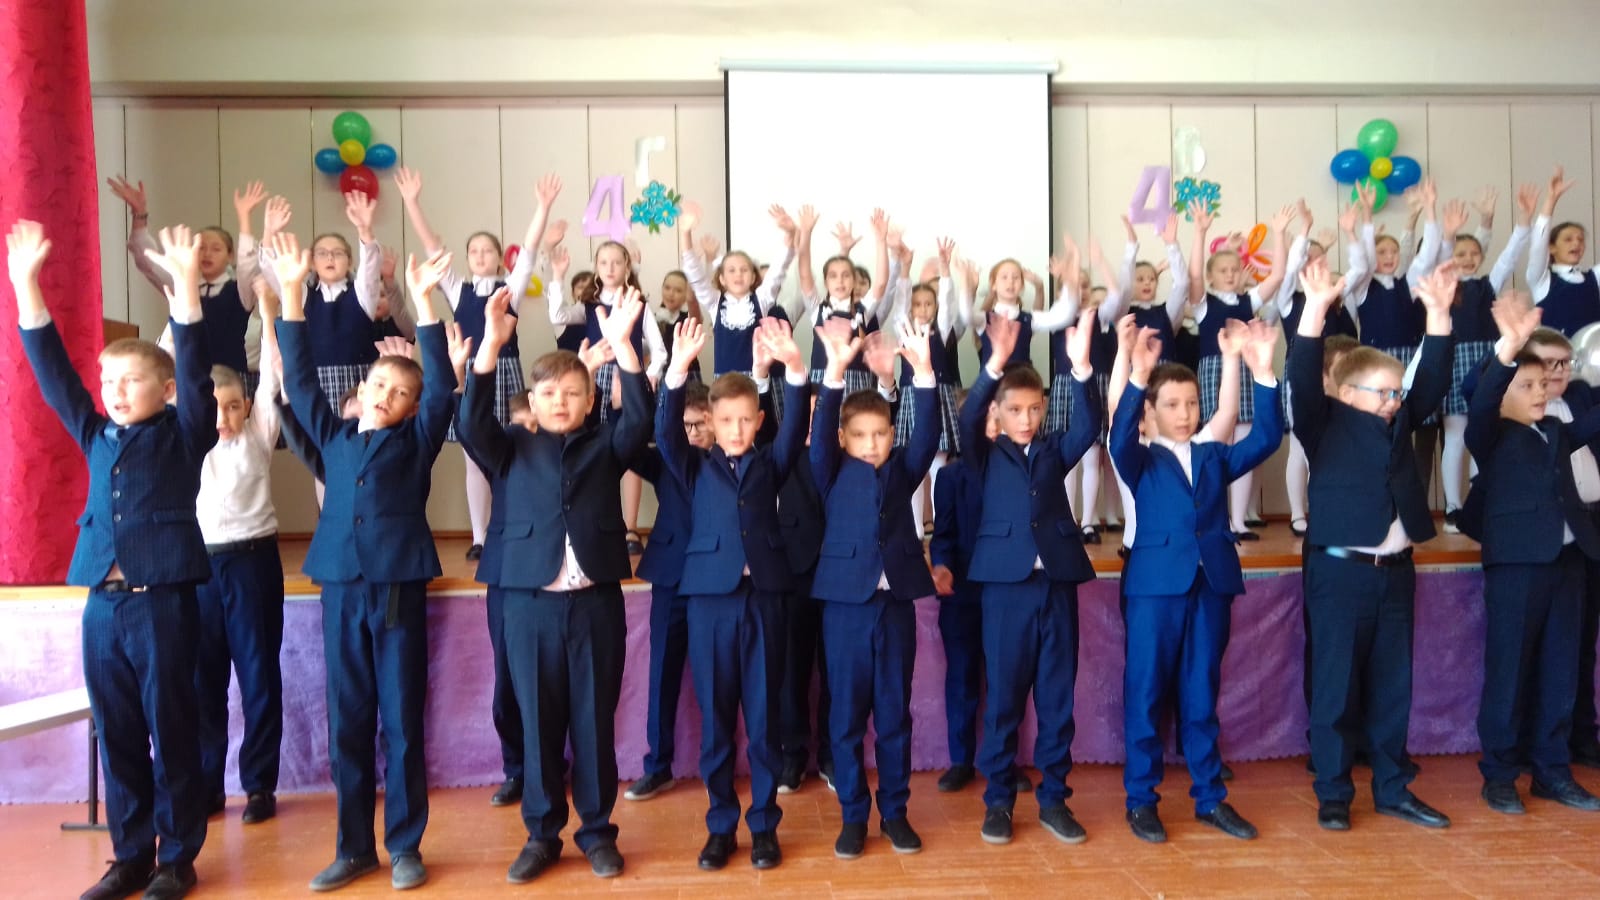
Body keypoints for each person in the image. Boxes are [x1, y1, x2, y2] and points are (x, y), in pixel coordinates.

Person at [11, 220, 214, 900]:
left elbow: (195, 370)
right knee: (117, 731)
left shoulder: (185, 434)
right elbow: (54, 378)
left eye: (131, 380)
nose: (115, 391)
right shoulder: (96, 433)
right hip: (103, 605)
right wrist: (27, 286)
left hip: (164, 603)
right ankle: (130, 855)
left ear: (165, 390)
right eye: (108, 380)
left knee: (171, 729)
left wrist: (187, 288)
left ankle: (177, 858)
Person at [272, 233, 457, 892]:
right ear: (362, 386)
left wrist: (425, 302)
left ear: (410, 407)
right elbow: (298, 383)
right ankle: (354, 848)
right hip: (341, 588)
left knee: (400, 721)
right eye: (378, 384)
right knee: (347, 721)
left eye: (398, 391)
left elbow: (443, 390)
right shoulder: (334, 436)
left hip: (397, 588)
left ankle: (404, 845)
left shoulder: (418, 440)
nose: (384, 395)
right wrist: (290, 295)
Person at [459, 286, 652, 881]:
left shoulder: (606, 444)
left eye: (572, 393)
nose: (561, 402)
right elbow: (469, 423)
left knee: (593, 721)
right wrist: (489, 348)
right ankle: (542, 835)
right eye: (548, 394)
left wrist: (624, 348)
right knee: (538, 723)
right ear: (533, 401)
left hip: (594, 604)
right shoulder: (509, 448)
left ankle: (597, 832)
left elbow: (640, 420)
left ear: (590, 399)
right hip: (529, 605)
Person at [1292, 256, 1455, 832]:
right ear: (1344, 392)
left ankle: (1392, 788)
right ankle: (1334, 793)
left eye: (1396, 392)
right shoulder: (1322, 424)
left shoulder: (1400, 420)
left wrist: (1439, 316)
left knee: (1392, 687)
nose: (1393, 401)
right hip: (1341, 573)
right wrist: (1315, 309)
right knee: (1336, 686)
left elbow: (1432, 380)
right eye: (1382, 392)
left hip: (1396, 570)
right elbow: (1302, 372)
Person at [1111, 314, 1283, 843]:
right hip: (1153, 590)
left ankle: (1210, 798)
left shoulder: (1213, 455)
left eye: (1190, 403)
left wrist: (1263, 372)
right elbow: (1117, 438)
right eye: (1171, 405)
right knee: (1145, 693)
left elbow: (1267, 438)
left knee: (1201, 694)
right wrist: (1138, 376)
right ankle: (1141, 801)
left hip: (1210, 588)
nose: (1184, 414)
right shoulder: (1139, 459)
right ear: (1151, 412)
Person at [656, 317, 812, 871]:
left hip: (764, 598)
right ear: (711, 423)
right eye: (725, 420)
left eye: (746, 419)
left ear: (759, 420)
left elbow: (796, 428)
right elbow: (666, 433)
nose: (736, 428)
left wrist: (795, 367)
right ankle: (721, 826)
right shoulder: (693, 467)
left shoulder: (773, 461)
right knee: (718, 722)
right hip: (709, 603)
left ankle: (764, 825)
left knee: (765, 722)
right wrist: (677, 370)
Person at [957, 310, 1101, 846]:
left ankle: (1055, 800)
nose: (1026, 418)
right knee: (1003, 702)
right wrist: (993, 365)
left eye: (1034, 408)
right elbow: (968, 418)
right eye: (1015, 410)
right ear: (997, 413)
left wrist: (1081, 368)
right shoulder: (982, 452)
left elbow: (1088, 428)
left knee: (1057, 700)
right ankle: (998, 802)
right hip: (1004, 590)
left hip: (1055, 585)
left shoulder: (1053, 448)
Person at [1462, 290, 1600, 815]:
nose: (1541, 391)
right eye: (1527, 385)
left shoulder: (1556, 431)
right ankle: (1499, 775)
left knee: (1561, 672)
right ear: (1502, 395)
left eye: (1544, 383)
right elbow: (1482, 397)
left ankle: (1552, 772)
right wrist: (1508, 347)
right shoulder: (1491, 433)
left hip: (1568, 564)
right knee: (1510, 671)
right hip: (1518, 566)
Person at [809, 318, 940, 858]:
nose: (871, 444)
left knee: (893, 715)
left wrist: (923, 373)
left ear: (892, 434)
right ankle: (852, 817)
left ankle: (895, 814)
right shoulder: (830, 469)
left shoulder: (902, 470)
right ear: (844, 439)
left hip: (894, 608)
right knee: (845, 718)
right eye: (860, 436)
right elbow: (819, 435)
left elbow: (927, 436)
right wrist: (835, 371)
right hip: (844, 608)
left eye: (881, 434)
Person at [192, 275, 289, 826]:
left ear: (246, 407)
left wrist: (270, 312)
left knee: (258, 678)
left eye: (232, 407)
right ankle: (207, 784)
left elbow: (273, 372)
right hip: (202, 568)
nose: (223, 419)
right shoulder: (189, 444)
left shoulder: (257, 434)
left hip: (252, 564)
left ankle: (258, 786)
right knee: (205, 680)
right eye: (214, 409)